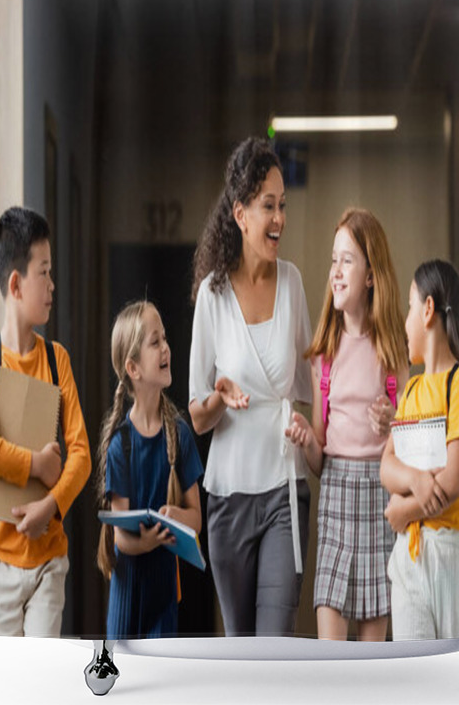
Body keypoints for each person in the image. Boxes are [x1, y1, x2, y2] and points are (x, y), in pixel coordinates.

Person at [188, 137, 312, 637]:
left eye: (282, 205)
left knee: (275, 645)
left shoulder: (294, 283)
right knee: (240, 647)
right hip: (228, 498)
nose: (279, 217)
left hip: (285, 488)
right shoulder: (212, 295)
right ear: (240, 214)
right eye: (268, 206)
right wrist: (220, 398)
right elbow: (197, 414)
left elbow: (307, 390)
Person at [285, 208, 409, 641]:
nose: (335, 272)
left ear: (372, 276)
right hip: (336, 498)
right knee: (331, 656)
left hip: (380, 497)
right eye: (333, 261)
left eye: (348, 261)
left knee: (371, 662)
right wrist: (306, 440)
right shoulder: (325, 353)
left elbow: (414, 448)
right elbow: (319, 460)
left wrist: (396, 422)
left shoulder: (394, 354)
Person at [0, 206, 91, 636]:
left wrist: (50, 506)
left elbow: (81, 456)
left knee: (42, 684)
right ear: (16, 284)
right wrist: (38, 465)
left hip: (49, 563)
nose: (52, 285)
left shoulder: (58, 361)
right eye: (45, 273)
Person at [380, 259, 459, 640]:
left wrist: (403, 507)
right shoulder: (413, 391)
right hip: (408, 556)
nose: (405, 322)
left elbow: (454, 480)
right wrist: (418, 479)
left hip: (451, 556)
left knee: (454, 678)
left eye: (409, 306)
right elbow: (387, 465)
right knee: (412, 679)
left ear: (429, 310)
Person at [96, 301, 203, 639]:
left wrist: (174, 515)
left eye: (165, 339)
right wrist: (144, 542)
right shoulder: (120, 446)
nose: (166, 348)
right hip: (126, 593)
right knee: (122, 683)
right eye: (155, 342)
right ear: (133, 368)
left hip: (164, 594)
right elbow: (120, 537)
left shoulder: (180, 434)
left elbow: (196, 519)